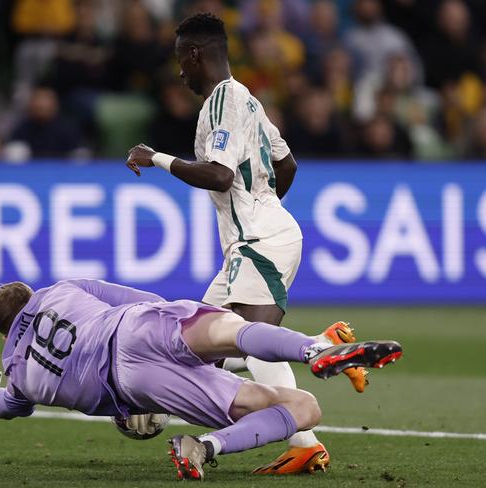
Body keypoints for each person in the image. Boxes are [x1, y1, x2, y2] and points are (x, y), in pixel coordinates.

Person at [125, 12, 367, 474]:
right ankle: (323, 344)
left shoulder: (222, 101)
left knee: (252, 347)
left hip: (258, 241)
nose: (180, 72)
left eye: (181, 61)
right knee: (194, 347)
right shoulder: (249, 102)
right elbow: (287, 163)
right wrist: (264, 208)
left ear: (196, 54)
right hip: (261, 237)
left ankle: (306, 438)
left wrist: (153, 157)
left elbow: (218, 174)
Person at [0, 279, 402, 481]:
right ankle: (313, 349)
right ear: (32, 297)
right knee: (229, 331)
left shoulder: (20, 377)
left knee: (305, 408)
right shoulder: (62, 290)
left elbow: (8, 406)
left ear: (4, 334)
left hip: (132, 383)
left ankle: (201, 447)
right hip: (134, 326)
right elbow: (143, 300)